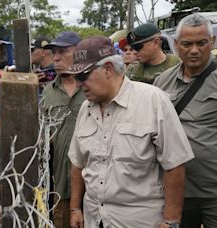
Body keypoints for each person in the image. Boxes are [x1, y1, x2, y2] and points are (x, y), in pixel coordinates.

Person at [66, 36, 194, 228]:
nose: (78, 84)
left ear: (108, 69)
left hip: (137, 220)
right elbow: (77, 163)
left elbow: (175, 165)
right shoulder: (86, 108)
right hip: (95, 218)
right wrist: (75, 208)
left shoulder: (153, 101)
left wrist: (171, 221)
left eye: (82, 76)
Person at [153, 13, 217, 228]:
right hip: (175, 190)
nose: (194, 50)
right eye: (187, 44)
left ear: (213, 42)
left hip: (213, 191)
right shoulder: (162, 81)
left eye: (202, 43)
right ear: (176, 44)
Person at [40, 31, 84, 228]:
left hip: (95, 184)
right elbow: (43, 131)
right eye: (54, 52)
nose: (55, 57)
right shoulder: (49, 91)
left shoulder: (94, 85)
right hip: (62, 186)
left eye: (63, 51)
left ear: (80, 53)